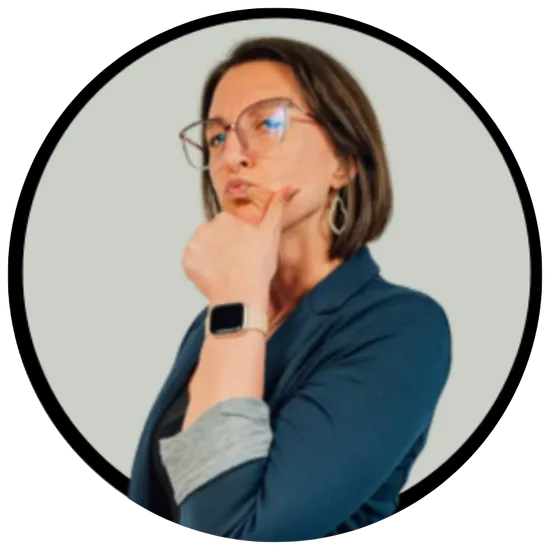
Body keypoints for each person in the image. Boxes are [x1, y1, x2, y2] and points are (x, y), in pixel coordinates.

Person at [128, 36, 452, 544]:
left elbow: (231, 534)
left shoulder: (403, 328)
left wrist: (235, 300)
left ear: (343, 161)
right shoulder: (214, 321)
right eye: (217, 137)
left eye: (267, 123)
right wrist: (236, 300)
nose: (232, 155)